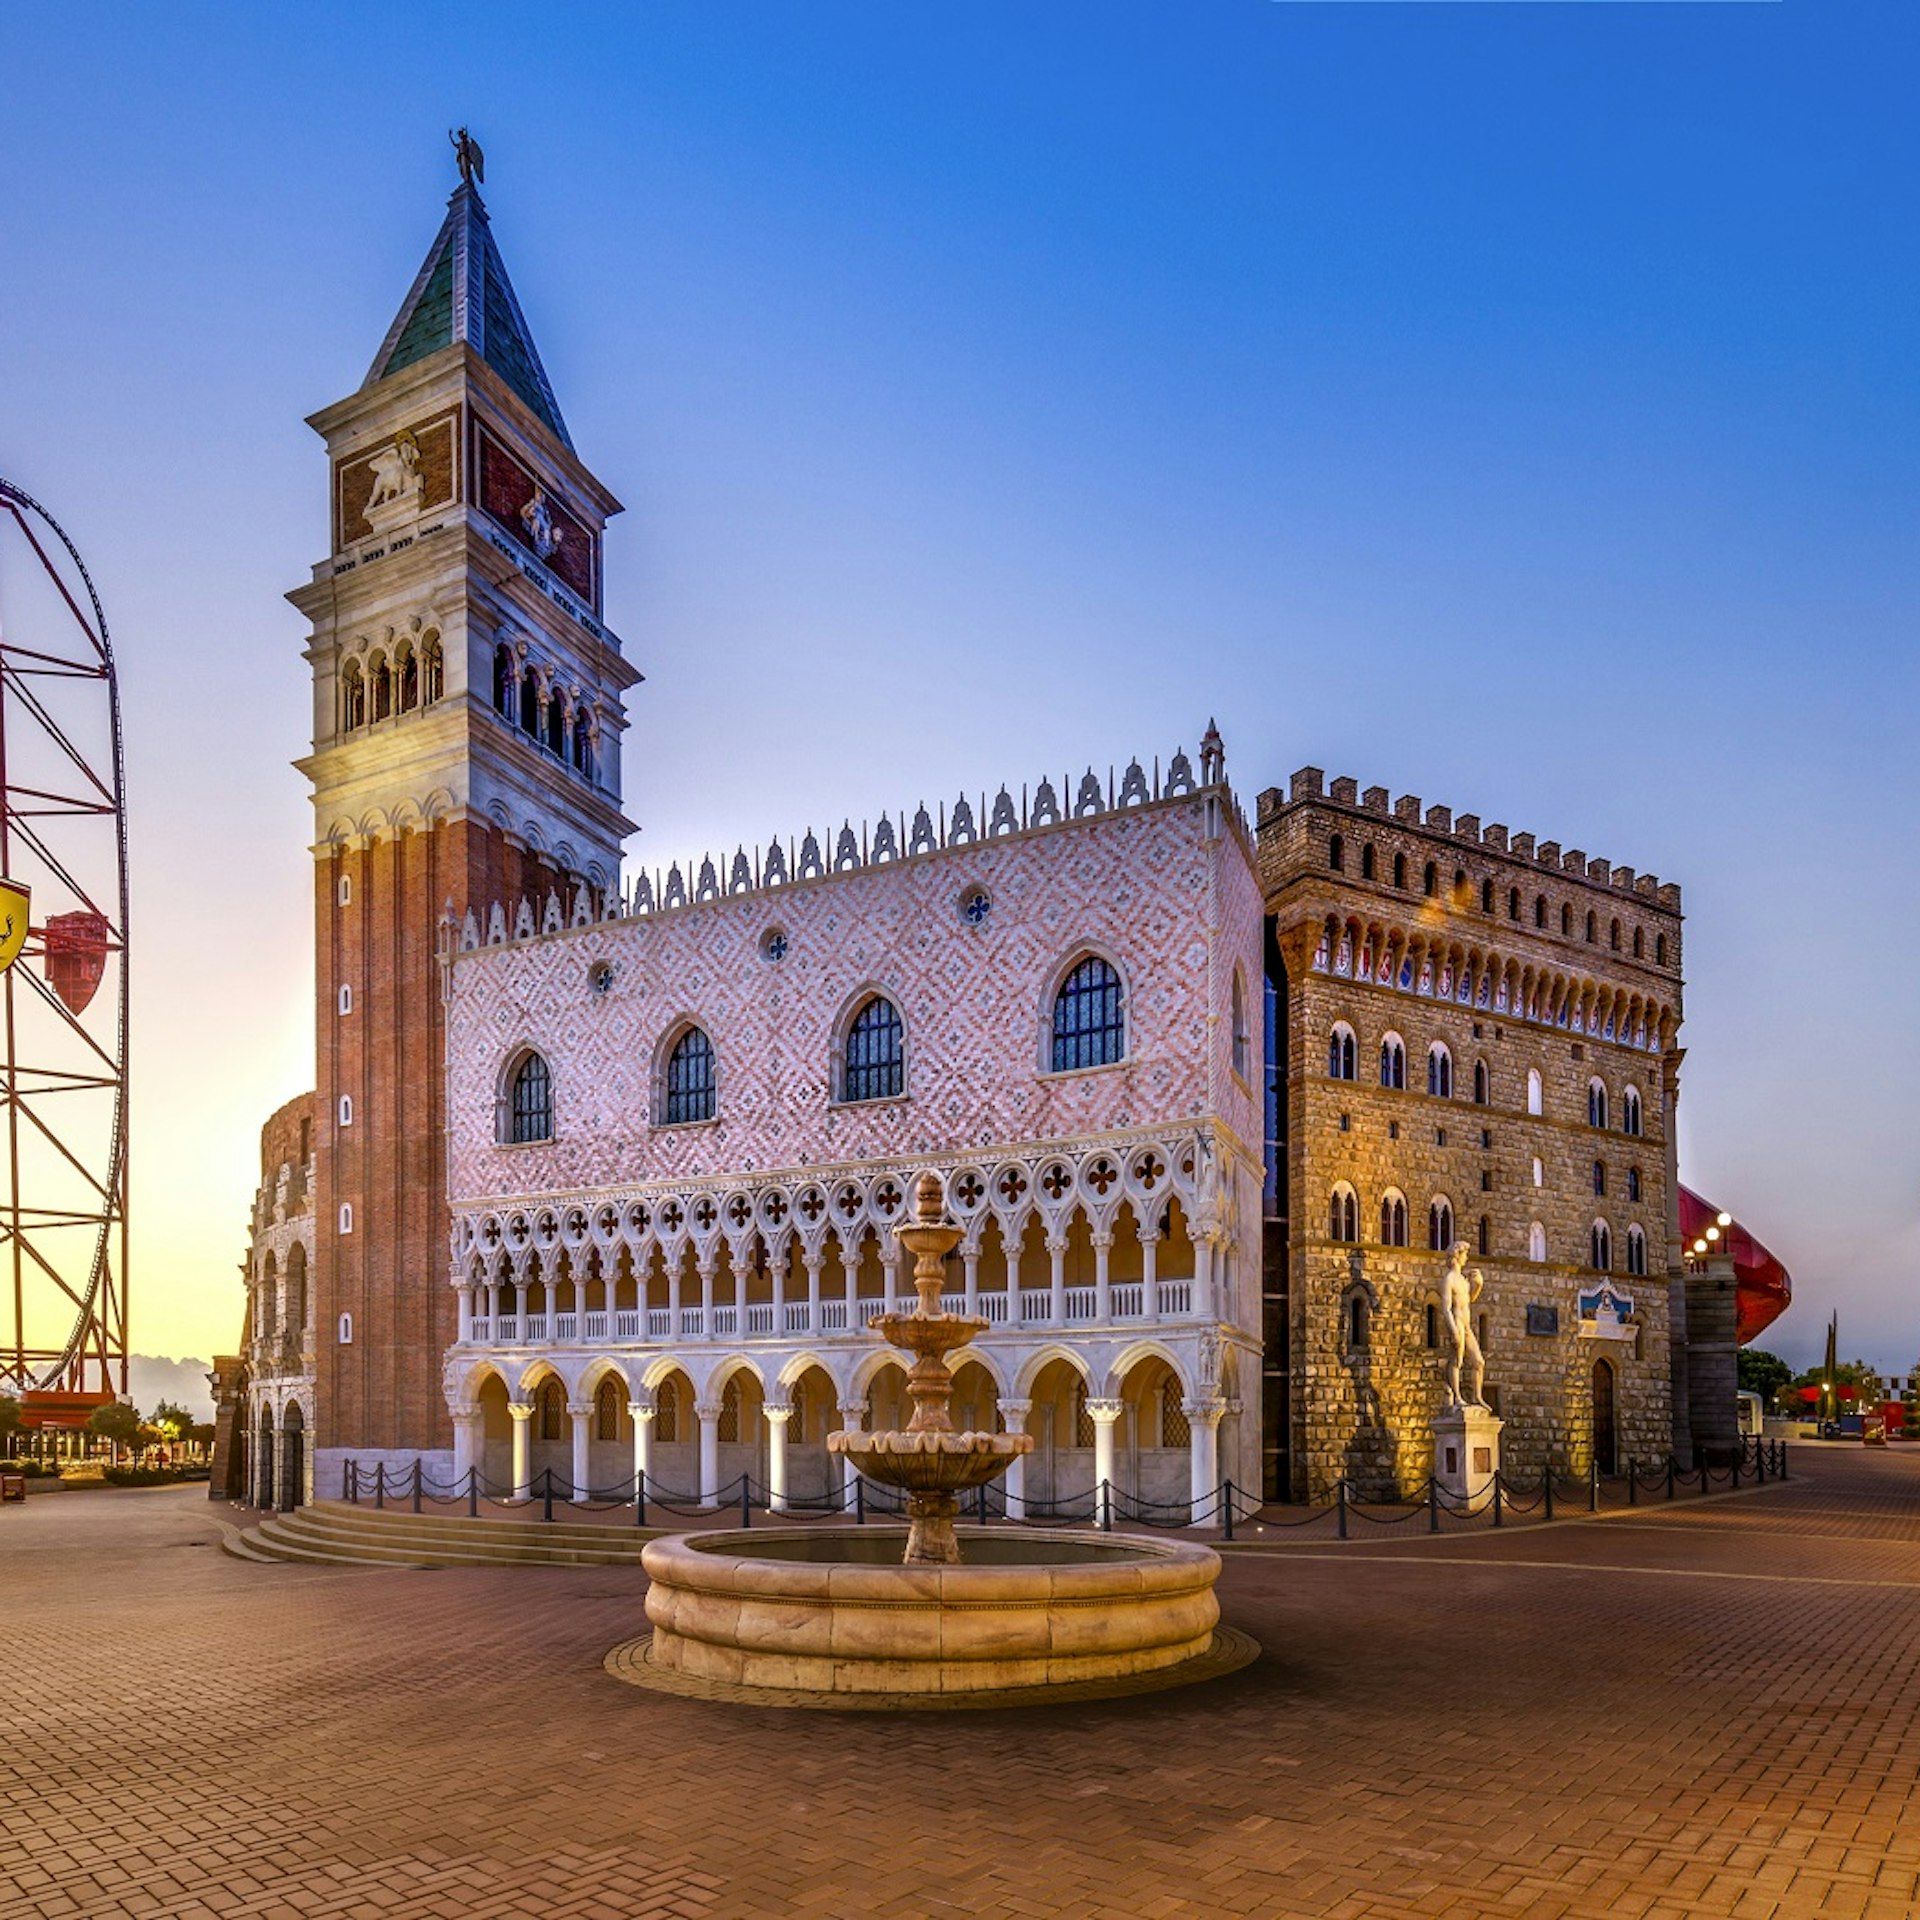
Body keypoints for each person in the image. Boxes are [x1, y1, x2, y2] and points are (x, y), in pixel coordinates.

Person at [1440, 1241, 1488, 1409]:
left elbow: (1470, 1300)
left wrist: (1478, 1285)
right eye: (1465, 1254)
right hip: (1457, 1323)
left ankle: (1477, 1397)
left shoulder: (1463, 1280)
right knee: (1457, 1361)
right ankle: (1457, 1397)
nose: (1467, 1257)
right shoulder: (1449, 1279)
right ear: (1457, 1256)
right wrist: (1453, 1330)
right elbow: (1445, 1308)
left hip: (1467, 1326)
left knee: (1479, 1362)